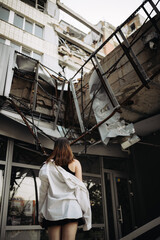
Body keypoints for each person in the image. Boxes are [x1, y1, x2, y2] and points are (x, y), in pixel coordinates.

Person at [38, 137, 92, 240]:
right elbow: (80, 190)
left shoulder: (47, 166)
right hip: (71, 209)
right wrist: (86, 213)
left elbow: (43, 192)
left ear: (55, 148)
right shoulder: (75, 163)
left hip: (52, 209)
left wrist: (40, 215)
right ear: (68, 148)